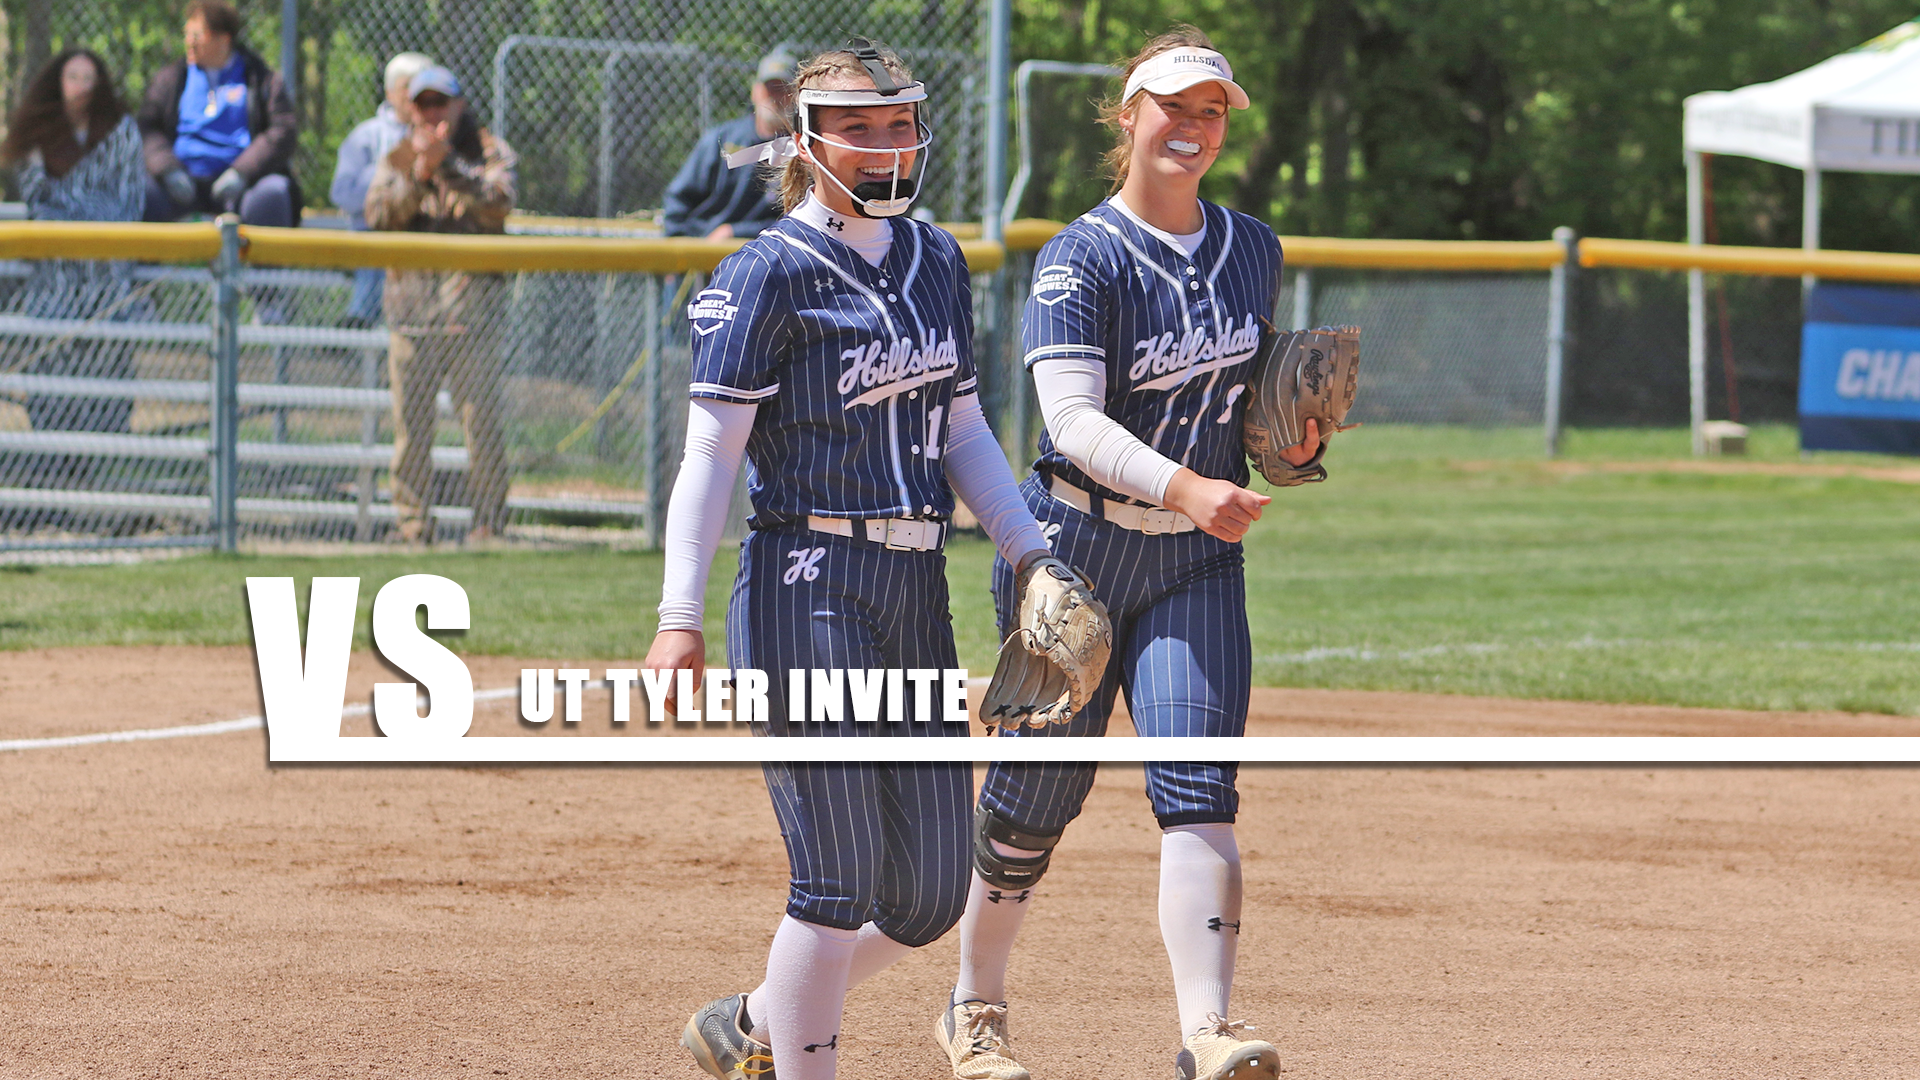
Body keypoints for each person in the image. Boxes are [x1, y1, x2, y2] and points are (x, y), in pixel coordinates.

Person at [648, 40, 1056, 1080]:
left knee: (923, 894)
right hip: (808, 584)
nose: (885, 145)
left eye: (897, 124)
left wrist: (1033, 552)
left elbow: (962, 429)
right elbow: (709, 458)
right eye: (860, 128)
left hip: (915, 587)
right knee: (831, 881)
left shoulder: (934, 261)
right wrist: (677, 616)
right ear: (809, 140)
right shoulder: (764, 273)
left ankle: (750, 1019)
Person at [935, 27, 1324, 1080]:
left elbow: (1241, 406)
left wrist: (1289, 445)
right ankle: (975, 1010)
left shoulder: (1253, 246)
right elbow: (1070, 423)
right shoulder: (1080, 261)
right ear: (1127, 114)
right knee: (1030, 805)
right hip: (1072, 554)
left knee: (1199, 788)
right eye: (1172, 106)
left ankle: (1209, 1028)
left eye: (1211, 112)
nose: (1192, 128)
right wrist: (1192, 487)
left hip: (1195, 563)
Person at [363, 65, 517, 543]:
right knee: (410, 430)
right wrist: (419, 172)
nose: (431, 113)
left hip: (471, 314)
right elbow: (377, 215)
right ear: (410, 109)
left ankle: (488, 524)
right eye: (422, 104)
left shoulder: (488, 150)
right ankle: (412, 525)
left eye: (440, 103)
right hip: (411, 313)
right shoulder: (398, 155)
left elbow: (500, 201)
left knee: (481, 425)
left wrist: (447, 164)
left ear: (458, 105)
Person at [1, 49, 144, 489]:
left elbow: (129, 202)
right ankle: (56, 473)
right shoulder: (35, 135)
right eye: (72, 76)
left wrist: (72, 211)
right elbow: (36, 204)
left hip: (106, 279)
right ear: (56, 84)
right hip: (54, 281)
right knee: (50, 365)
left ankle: (100, 478)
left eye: (89, 76)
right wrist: (71, 213)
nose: (82, 85)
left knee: (106, 368)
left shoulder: (121, 132)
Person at [137, 0, 298, 227]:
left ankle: (264, 263)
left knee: (273, 194)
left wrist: (242, 173)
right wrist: (168, 170)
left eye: (196, 35)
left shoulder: (261, 80)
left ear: (223, 39)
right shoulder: (171, 78)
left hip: (240, 189)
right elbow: (146, 127)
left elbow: (283, 130)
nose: (188, 42)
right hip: (181, 186)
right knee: (142, 191)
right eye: (187, 34)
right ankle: (147, 263)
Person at [329, 51, 435, 327]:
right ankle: (359, 322)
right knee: (381, 250)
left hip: (421, 235)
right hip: (372, 233)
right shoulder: (366, 137)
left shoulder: (439, 135)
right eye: (407, 86)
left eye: (423, 87)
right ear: (390, 92)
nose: (415, 95)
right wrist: (383, 189)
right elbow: (341, 193)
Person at [659, 47, 794, 240]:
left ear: (796, 95)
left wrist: (734, 232)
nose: (775, 96)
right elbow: (678, 200)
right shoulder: (720, 140)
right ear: (754, 92)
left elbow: (800, 220)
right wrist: (675, 258)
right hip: (704, 249)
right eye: (769, 87)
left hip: (768, 255)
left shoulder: (803, 152)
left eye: (783, 88)